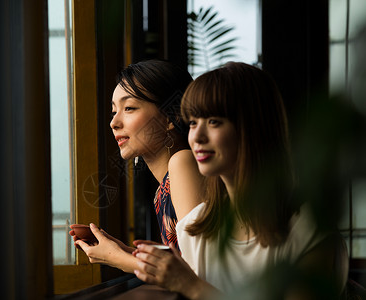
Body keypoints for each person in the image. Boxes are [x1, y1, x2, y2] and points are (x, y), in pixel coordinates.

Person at [133, 62, 349, 299]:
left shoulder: (308, 232)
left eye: (214, 121)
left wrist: (193, 287)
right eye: (193, 122)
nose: (197, 137)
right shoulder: (194, 229)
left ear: (253, 126)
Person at [69, 59, 205, 273]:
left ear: (171, 116)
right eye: (114, 111)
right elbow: (183, 264)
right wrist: (122, 251)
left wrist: (117, 258)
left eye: (129, 108)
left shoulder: (183, 163)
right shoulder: (162, 190)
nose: (114, 122)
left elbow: (196, 272)